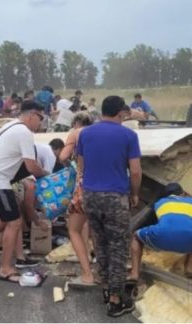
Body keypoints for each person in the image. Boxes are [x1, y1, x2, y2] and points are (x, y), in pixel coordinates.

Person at [77, 95, 142, 317]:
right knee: (118, 247)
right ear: (120, 112)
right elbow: (135, 171)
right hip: (115, 197)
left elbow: (81, 166)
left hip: (90, 196)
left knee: (101, 243)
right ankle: (115, 300)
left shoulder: (85, 133)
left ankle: (106, 288)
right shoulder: (129, 135)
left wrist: (83, 189)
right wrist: (135, 194)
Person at [0, 100, 48, 283]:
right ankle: (5, 268)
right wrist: (46, 174)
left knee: (4, 218)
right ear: (32, 115)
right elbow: (31, 166)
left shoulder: (11, 124)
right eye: (40, 118)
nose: (40, 123)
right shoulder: (24, 132)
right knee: (14, 222)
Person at [58, 112, 95, 287]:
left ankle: (87, 272)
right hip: (103, 184)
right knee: (94, 225)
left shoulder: (76, 133)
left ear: (76, 122)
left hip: (84, 183)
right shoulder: (97, 131)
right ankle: (96, 261)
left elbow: (63, 156)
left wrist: (72, 166)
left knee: (74, 228)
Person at [130, 183, 192, 281]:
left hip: (162, 237)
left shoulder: (160, 202)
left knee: (136, 237)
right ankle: (189, 268)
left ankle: (134, 273)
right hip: (188, 240)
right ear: (183, 193)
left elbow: (149, 223)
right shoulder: (190, 201)